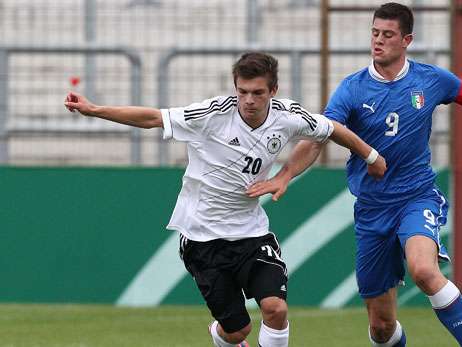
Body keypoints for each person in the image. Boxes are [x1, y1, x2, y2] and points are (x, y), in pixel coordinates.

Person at [63, 52, 386, 347]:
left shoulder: (288, 116)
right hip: (203, 239)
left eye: (257, 93)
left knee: (275, 308)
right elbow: (152, 118)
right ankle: (221, 334)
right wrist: (94, 110)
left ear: (273, 90)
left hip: (251, 233)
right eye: (242, 91)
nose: (248, 100)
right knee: (236, 332)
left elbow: (330, 131)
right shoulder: (213, 113)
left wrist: (370, 157)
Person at [246, 3, 462, 347]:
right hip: (372, 209)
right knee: (381, 326)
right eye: (375, 33)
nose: (378, 41)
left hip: (416, 197)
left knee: (423, 270)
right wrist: (285, 174)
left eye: (387, 35)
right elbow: (321, 136)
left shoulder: (431, 79)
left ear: (407, 40)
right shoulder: (353, 89)